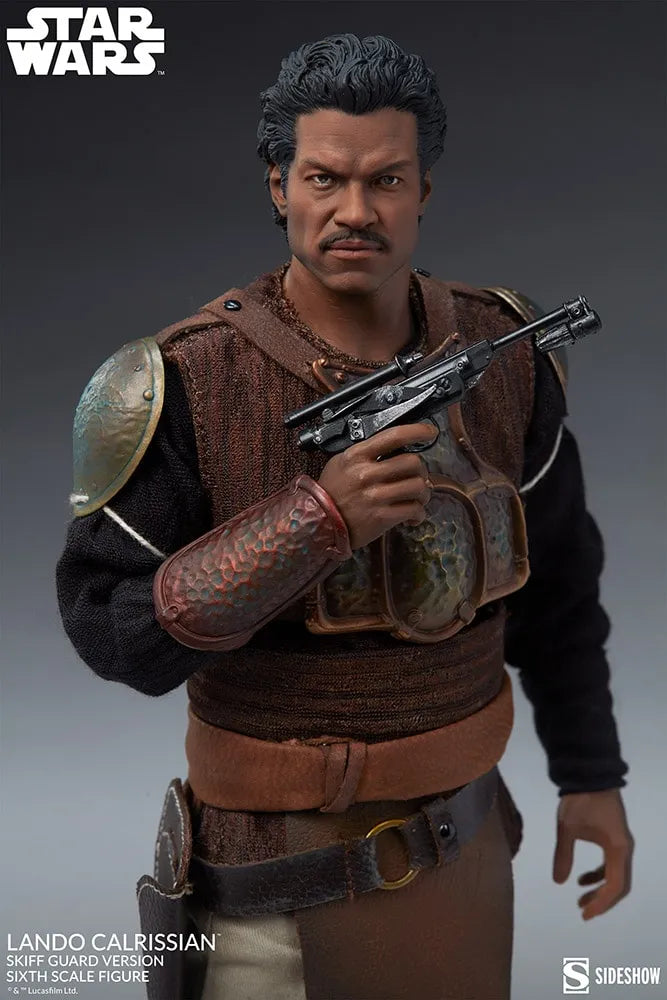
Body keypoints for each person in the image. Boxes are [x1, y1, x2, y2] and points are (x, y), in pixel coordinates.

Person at [56, 33, 633, 1000]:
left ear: (423, 191)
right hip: (271, 887)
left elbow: (560, 596)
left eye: (385, 180)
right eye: (324, 178)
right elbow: (113, 634)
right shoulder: (181, 383)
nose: (355, 211)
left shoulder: (504, 359)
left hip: (465, 851)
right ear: (279, 186)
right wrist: (317, 521)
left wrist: (590, 778)